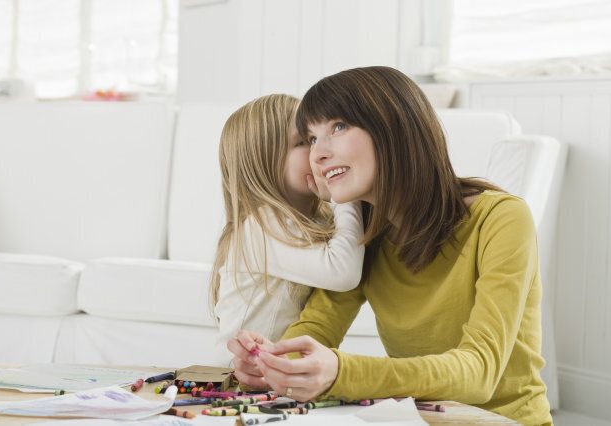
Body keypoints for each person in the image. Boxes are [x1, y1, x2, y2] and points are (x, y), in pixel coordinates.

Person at [227, 68, 552, 425]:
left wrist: (342, 373)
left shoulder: (502, 219)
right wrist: (272, 363)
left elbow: (480, 373)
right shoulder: (368, 235)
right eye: (311, 137)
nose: (316, 154)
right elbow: (317, 327)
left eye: (337, 127)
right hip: (421, 419)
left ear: (393, 128)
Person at [210, 94, 365, 366]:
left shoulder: (317, 217)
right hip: (243, 379)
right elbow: (343, 272)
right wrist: (345, 194)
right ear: (264, 163)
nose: (319, 150)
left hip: (283, 372)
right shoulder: (261, 227)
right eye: (304, 142)